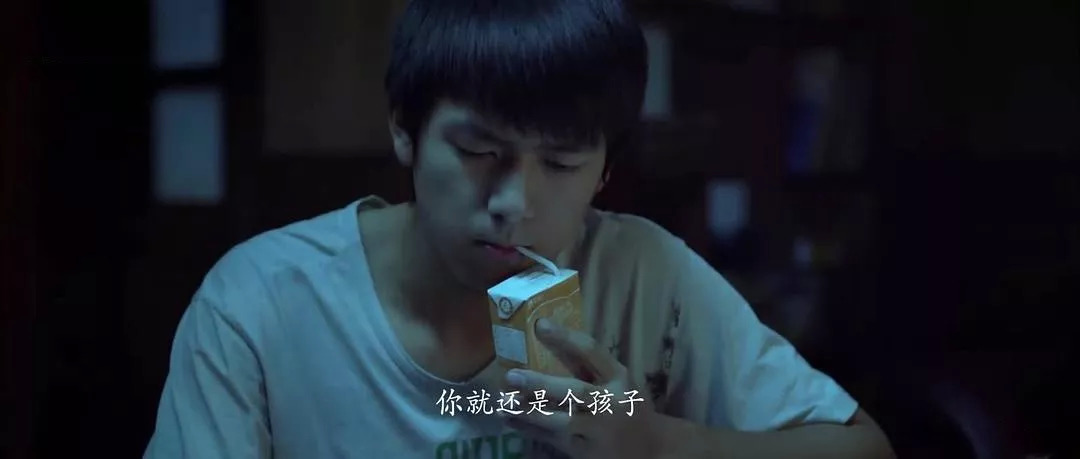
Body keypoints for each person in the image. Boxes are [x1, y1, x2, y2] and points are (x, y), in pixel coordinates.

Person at [144, 0, 895, 457]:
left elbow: (862, 447)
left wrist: (660, 444)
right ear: (405, 129)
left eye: (561, 163)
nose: (513, 202)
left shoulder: (645, 274)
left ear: (605, 170)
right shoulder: (260, 302)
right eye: (479, 152)